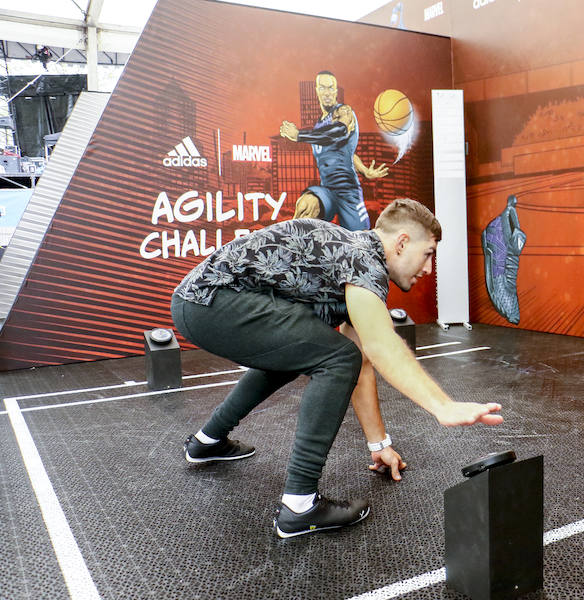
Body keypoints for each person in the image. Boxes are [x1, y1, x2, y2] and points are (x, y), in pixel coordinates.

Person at [171, 198, 503, 538]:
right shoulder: (363, 263)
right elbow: (380, 345)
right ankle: (299, 505)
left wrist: (380, 446)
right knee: (335, 357)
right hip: (210, 304)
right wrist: (442, 406)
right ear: (402, 242)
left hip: (198, 304)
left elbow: (361, 363)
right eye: (428, 253)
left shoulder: (351, 258)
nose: (428, 269)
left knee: (310, 353)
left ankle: (207, 441)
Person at [279, 70, 388, 231]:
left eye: (331, 88)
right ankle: (289, 246)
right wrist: (364, 170)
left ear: (336, 91)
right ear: (316, 90)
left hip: (348, 192)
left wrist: (299, 135)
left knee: (360, 241)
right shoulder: (318, 126)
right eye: (323, 88)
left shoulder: (344, 112)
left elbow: (339, 132)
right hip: (327, 191)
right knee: (306, 205)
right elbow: (345, 151)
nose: (327, 92)